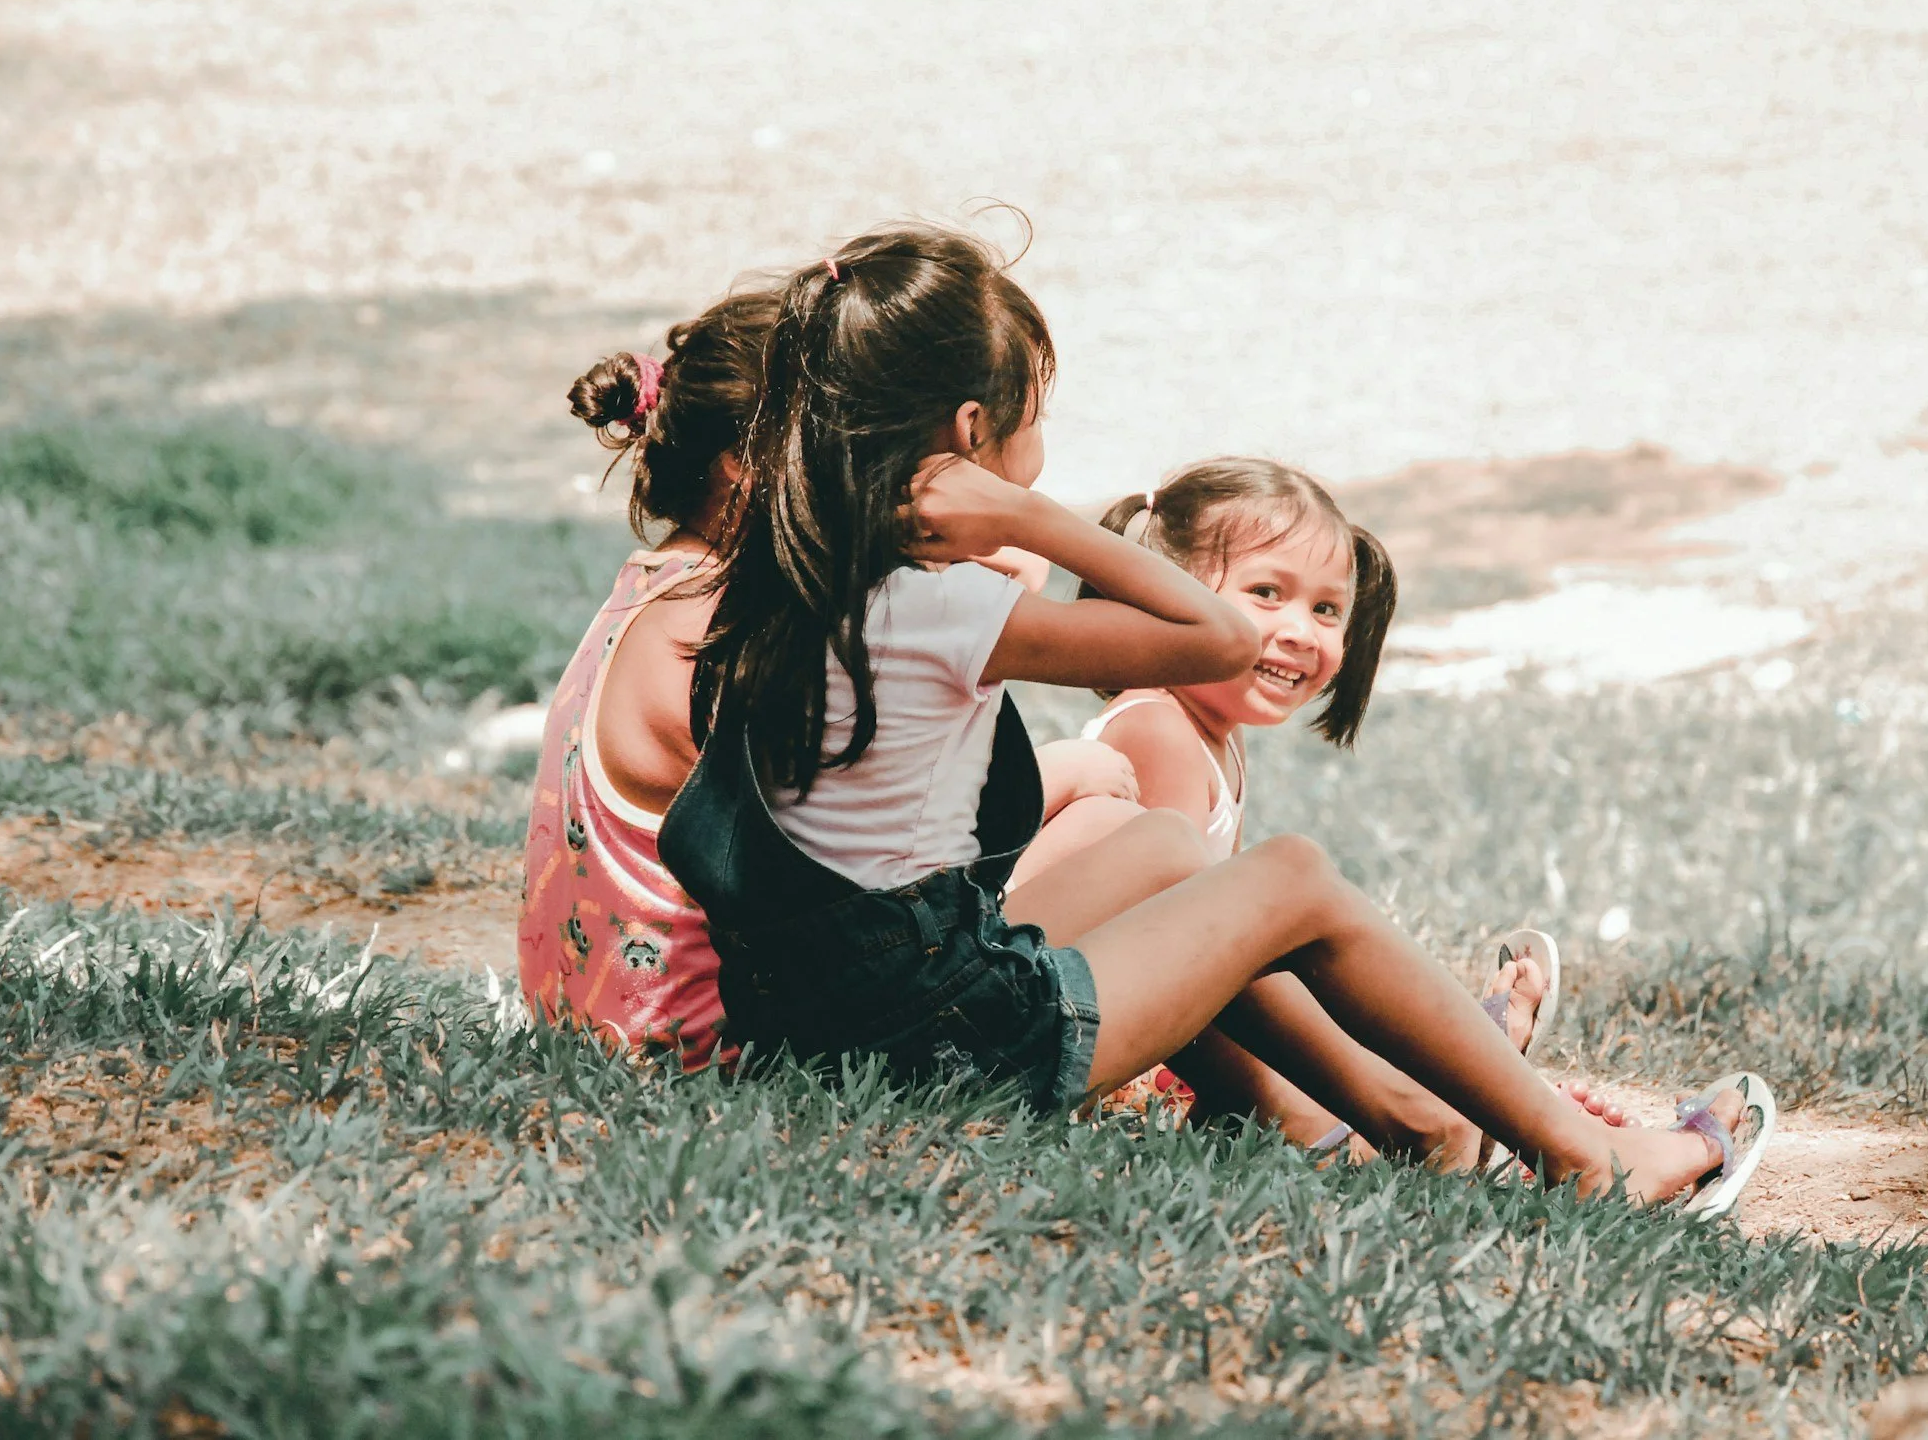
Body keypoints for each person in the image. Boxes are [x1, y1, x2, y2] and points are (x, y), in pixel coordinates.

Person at [661, 221, 1774, 1208]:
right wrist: (1028, 518)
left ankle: (1412, 1122)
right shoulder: (936, 605)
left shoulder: (785, 574)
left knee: (1158, 846)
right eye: (1032, 425)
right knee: (1288, 878)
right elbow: (1218, 641)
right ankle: (1588, 1160)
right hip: (938, 1046)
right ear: (970, 434)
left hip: (818, 1024)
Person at [519, 289, 1155, 1067]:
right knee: (1120, 836)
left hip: (612, 1025)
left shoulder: (670, 586)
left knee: (1122, 841)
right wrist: (1061, 772)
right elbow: (877, 857)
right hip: (717, 1053)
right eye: (850, 458)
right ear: (746, 469)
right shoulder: (729, 631)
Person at [1011, 459, 1626, 1170]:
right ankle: (1381, 1109)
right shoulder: (1157, 728)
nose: (1301, 631)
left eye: (1326, 610)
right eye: (1266, 593)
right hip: (1092, 1022)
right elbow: (1186, 964)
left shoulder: (1216, 738)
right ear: (1163, 595)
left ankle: (1441, 1077)